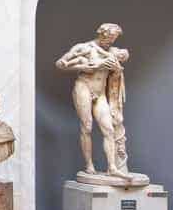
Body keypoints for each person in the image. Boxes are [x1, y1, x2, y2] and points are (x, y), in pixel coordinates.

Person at [56, 23, 132, 179]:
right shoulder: (84, 48)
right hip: (84, 87)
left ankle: (112, 167)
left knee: (108, 129)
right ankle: (89, 164)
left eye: (114, 38)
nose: (111, 41)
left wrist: (118, 65)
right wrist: (88, 66)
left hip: (100, 92)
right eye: (109, 37)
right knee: (87, 127)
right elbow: (60, 63)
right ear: (101, 34)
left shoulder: (112, 51)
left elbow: (123, 58)